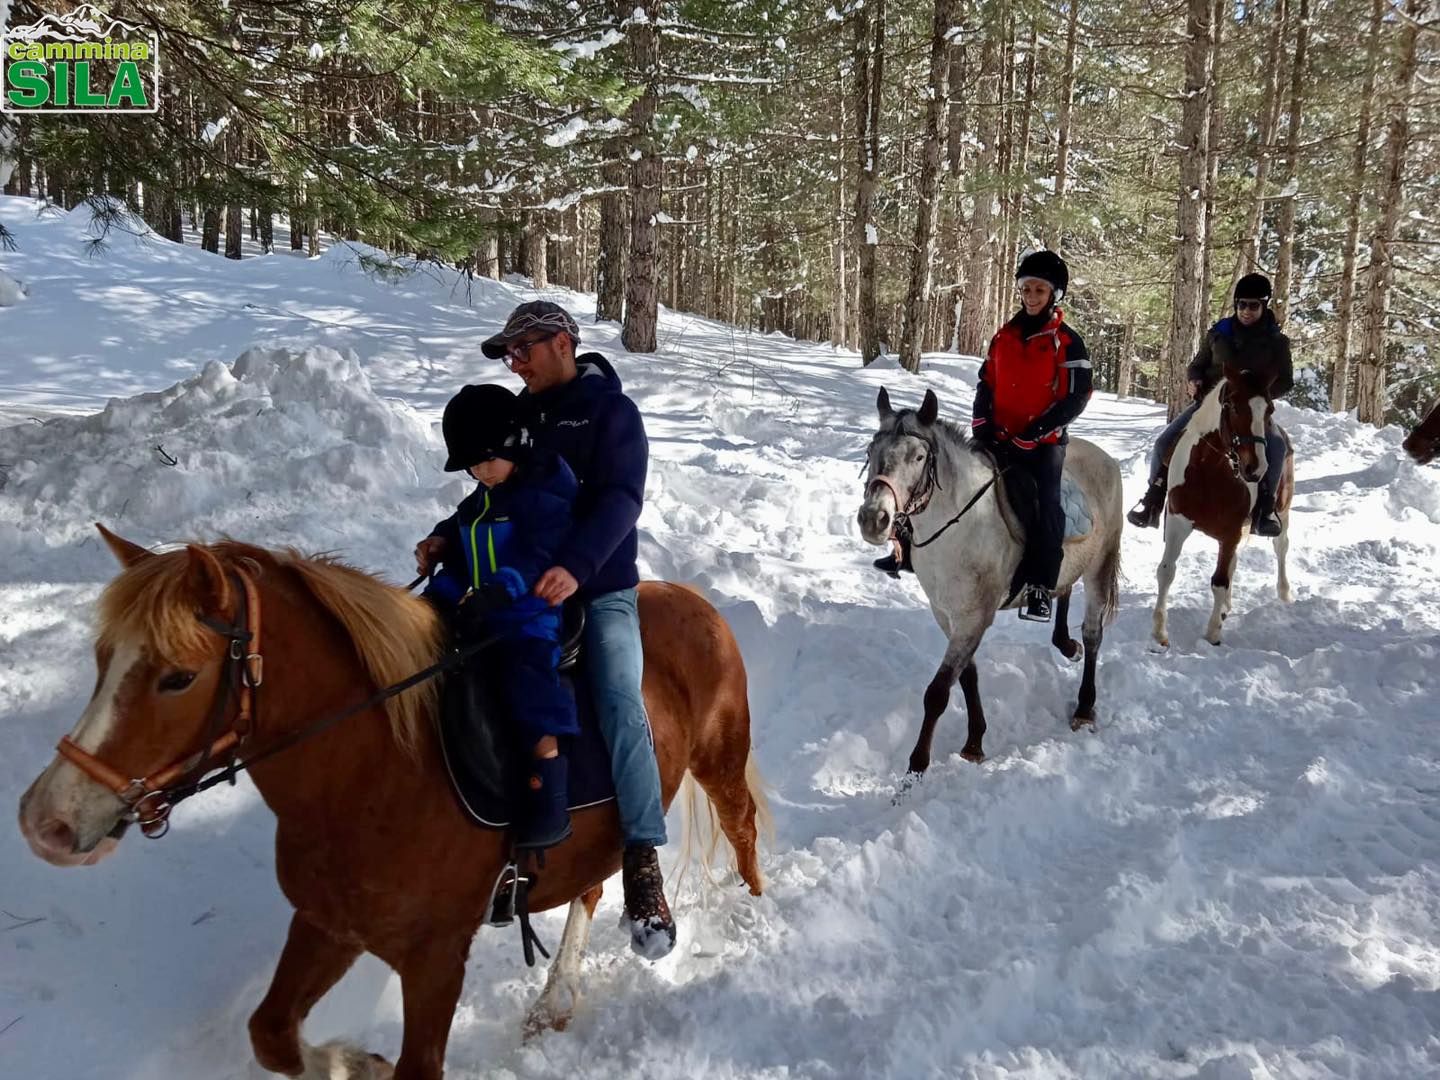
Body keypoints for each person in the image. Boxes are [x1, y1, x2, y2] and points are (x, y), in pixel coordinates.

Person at [419, 300, 676, 961]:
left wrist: (574, 565)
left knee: (619, 700)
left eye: (524, 349)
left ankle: (642, 857)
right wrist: (449, 539)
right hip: (518, 590)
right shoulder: (519, 413)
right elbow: (489, 497)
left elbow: (621, 499)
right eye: (508, 355)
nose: (516, 363)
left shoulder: (612, 413)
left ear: (564, 342)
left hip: (599, 587)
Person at [419, 384, 580, 850]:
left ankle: (548, 788)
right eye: (471, 465)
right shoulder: (487, 493)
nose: (478, 472)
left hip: (529, 613)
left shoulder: (544, 488)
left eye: (485, 460)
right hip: (483, 608)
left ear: (518, 444)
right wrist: (440, 543)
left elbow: (541, 549)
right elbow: (461, 526)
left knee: (525, 680)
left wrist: (505, 588)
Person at [1127, 272, 1292, 537]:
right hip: (1208, 406)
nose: (1246, 311)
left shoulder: (1277, 342)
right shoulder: (1219, 334)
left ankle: (1265, 507)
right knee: (1163, 442)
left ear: (1264, 306)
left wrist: (1256, 394)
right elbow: (1198, 364)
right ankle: (1154, 498)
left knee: (1277, 446)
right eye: (1241, 305)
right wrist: (1194, 379)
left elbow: (1286, 381)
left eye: (1253, 305)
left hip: (1250, 411)